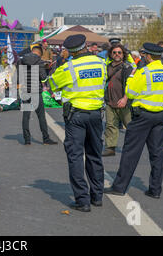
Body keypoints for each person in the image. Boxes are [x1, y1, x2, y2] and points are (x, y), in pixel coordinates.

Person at [105, 43, 163, 199]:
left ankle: (119, 187)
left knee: (131, 152)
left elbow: (130, 92)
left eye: (144, 55)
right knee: (156, 153)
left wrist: (131, 78)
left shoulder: (144, 72)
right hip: (159, 115)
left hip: (143, 115)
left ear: (148, 56)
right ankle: (155, 189)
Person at [48, 34, 106, 212]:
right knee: (95, 155)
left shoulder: (69, 67)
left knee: (75, 157)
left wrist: (61, 63)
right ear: (86, 45)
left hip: (76, 116)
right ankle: (97, 196)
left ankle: (82, 200)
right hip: (96, 114)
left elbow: (52, 84)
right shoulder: (100, 63)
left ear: (69, 51)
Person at [18, 44, 58, 146]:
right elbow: (43, 78)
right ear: (39, 53)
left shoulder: (21, 60)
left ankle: (27, 140)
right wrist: (47, 69)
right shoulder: (39, 61)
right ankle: (46, 139)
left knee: (26, 116)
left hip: (25, 91)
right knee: (41, 116)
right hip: (36, 91)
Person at [102, 44, 133, 157]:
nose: (117, 54)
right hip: (110, 101)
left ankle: (131, 148)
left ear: (123, 54)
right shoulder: (107, 66)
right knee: (110, 125)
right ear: (110, 54)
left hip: (124, 103)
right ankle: (110, 148)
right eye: (114, 52)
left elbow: (131, 85)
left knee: (130, 126)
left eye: (119, 52)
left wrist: (125, 99)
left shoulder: (127, 67)